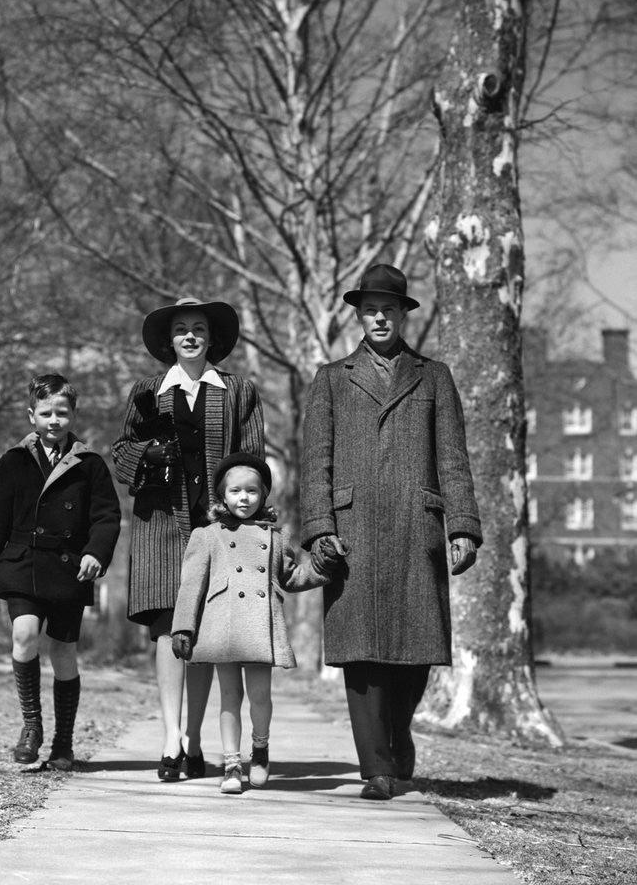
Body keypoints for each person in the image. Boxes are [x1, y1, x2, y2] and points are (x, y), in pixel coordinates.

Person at [301, 264, 482, 801]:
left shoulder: (434, 376)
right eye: (370, 310)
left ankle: (398, 733)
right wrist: (318, 530)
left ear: (403, 314)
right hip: (351, 528)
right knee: (360, 651)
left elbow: (453, 458)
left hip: (416, 526)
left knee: (415, 649)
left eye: (388, 309)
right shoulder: (331, 378)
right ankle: (376, 767)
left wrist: (463, 526)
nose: (379, 318)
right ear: (359, 316)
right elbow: (316, 464)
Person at [113, 297, 265, 782]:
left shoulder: (239, 392)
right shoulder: (147, 391)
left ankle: (195, 741)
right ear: (168, 339)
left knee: (207, 630)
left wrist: (241, 509)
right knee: (166, 628)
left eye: (199, 328)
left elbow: (254, 461)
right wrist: (148, 455)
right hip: (160, 525)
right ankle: (170, 738)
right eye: (181, 329)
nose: (191, 336)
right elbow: (120, 454)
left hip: (221, 530)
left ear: (212, 337)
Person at [0, 373, 121, 771]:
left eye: (62, 412)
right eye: (45, 413)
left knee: (64, 653)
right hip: (20, 564)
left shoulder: (89, 464)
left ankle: (63, 743)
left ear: (73, 415)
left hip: (70, 569)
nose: (54, 420)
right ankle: (32, 727)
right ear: (31, 415)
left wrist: (96, 554)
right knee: (24, 635)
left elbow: (107, 518)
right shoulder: (13, 462)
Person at [171, 453, 345, 794]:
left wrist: (322, 567)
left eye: (252, 491)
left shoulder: (276, 537)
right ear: (223, 495)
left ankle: (260, 749)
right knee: (230, 697)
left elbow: (292, 577)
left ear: (262, 495)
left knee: (260, 696)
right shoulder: (207, 536)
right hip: (222, 627)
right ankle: (232, 764)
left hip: (260, 626)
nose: (244, 498)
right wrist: (183, 627)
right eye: (235, 491)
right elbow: (192, 585)